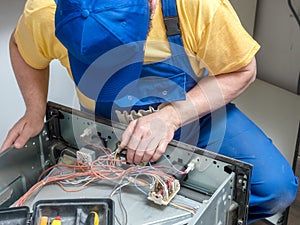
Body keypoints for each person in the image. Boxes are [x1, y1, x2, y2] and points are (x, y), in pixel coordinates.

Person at [0, 0, 298, 223]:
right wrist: (34, 111)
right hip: (106, 127)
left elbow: (243, 70)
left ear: (152, 7)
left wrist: (171, 116)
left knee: (277, 188)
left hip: (192, 115)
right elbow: (20, 48)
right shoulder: (45, 12)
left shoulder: (193, 6)